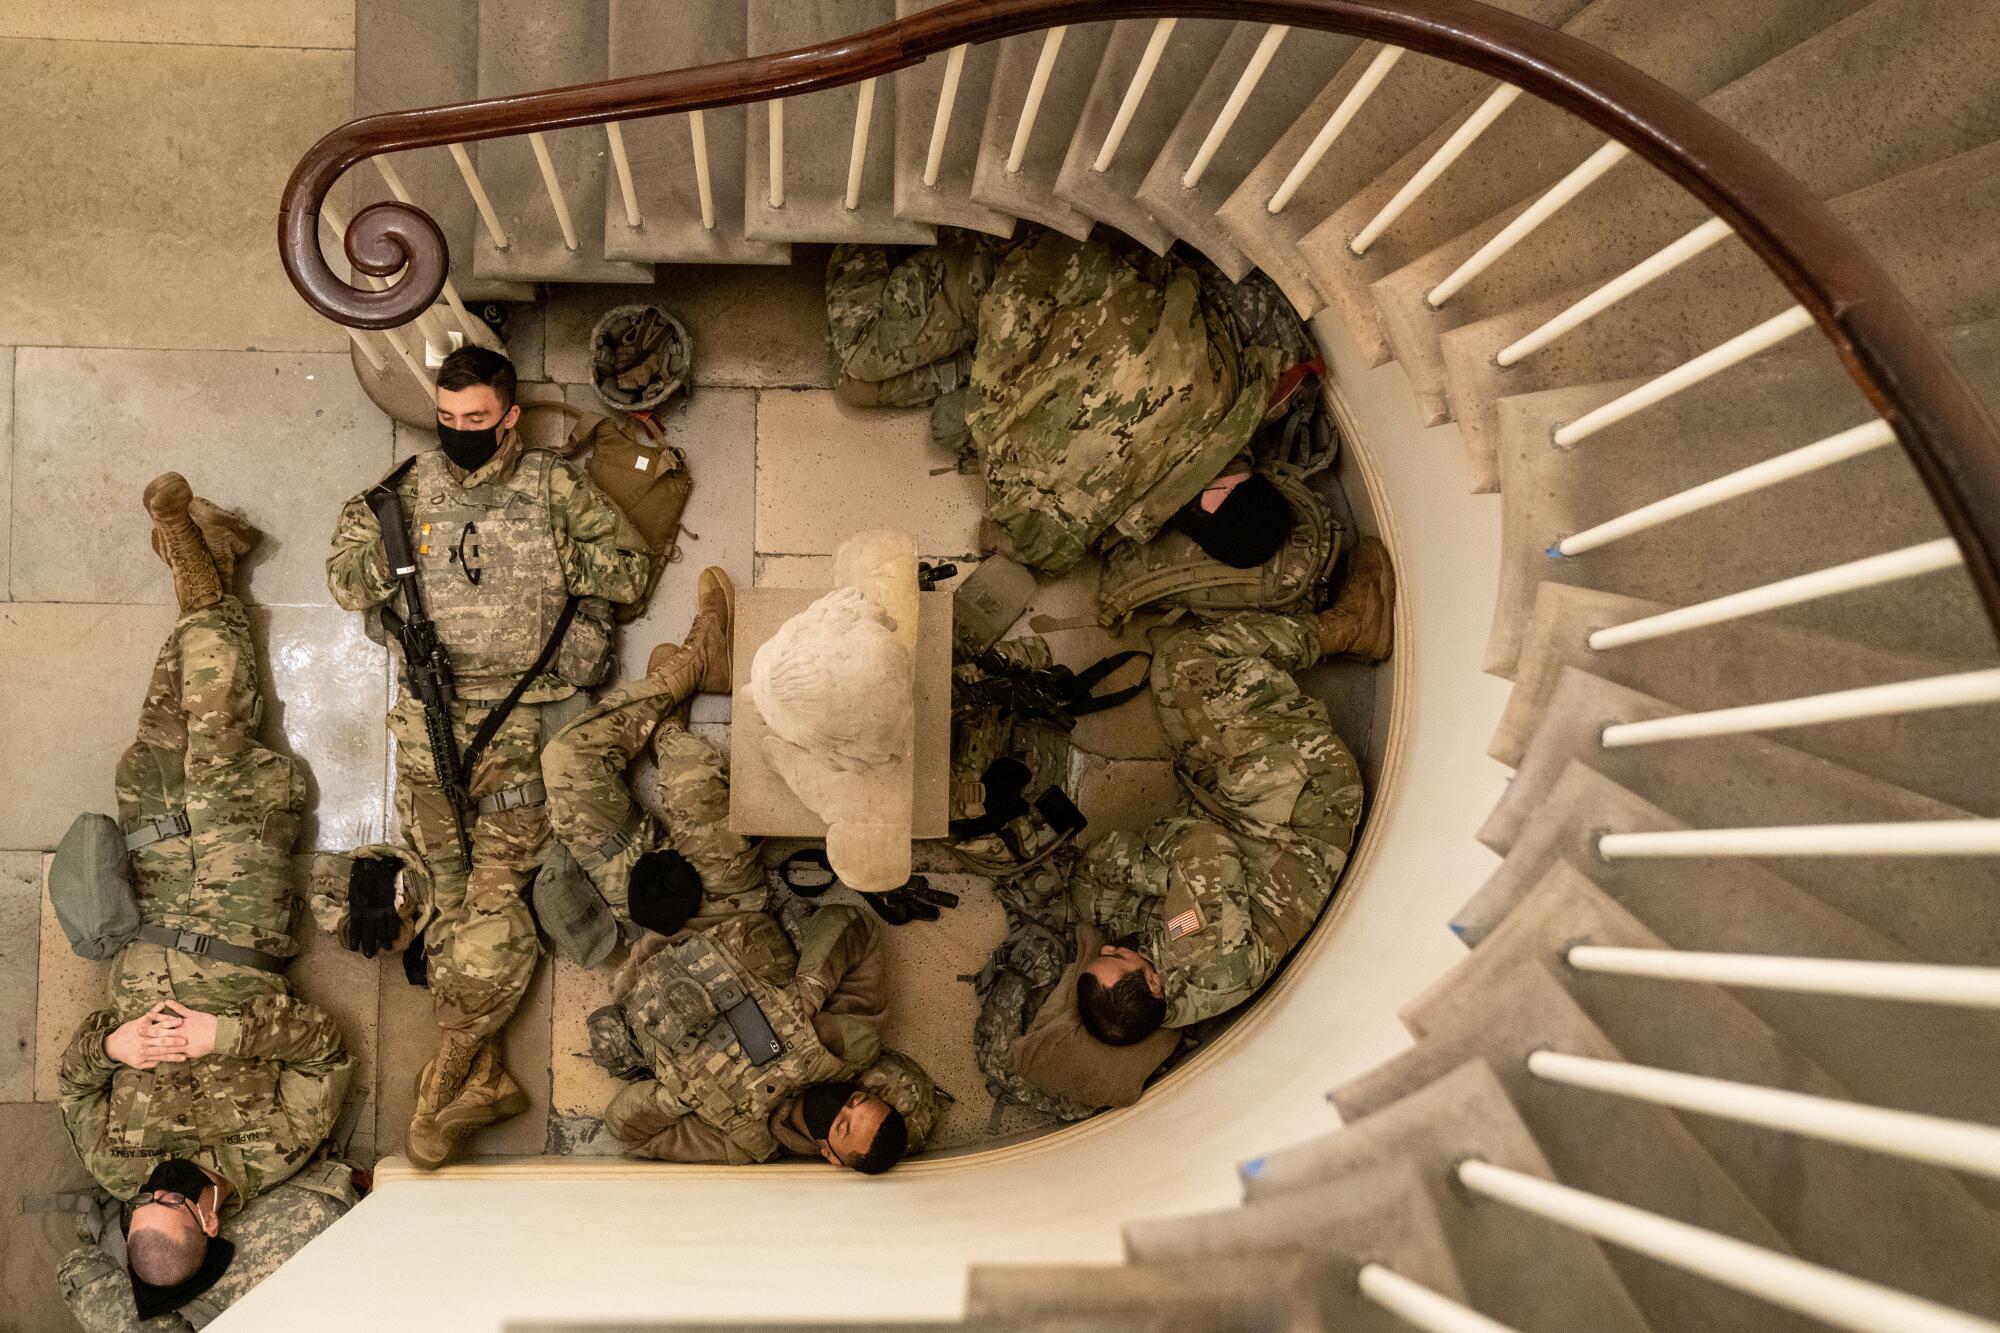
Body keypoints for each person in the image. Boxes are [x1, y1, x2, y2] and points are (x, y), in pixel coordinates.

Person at [324, 346, 651, 1169]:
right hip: (432, 716)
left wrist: (553, 559)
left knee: (492, 907)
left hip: (523, 722)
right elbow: (344, 578)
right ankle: (482, 1076)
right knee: (437, 897)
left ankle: (451, 1077)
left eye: (477, 420)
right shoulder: (402, 496)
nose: (460, 433)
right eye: (448, 418)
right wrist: (398, 562)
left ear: (510, 417)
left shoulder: (554, 486)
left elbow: (631, 568)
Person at [56, 474, 354, 1317]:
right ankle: (191, 552)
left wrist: (114, 1049)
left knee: (157, 736)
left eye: (147, 1194)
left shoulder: (117, 1163)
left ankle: (211, 568)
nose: (161, 1181)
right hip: (237, 907)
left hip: (147, 896)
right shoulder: (275, 1150)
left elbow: (76, 1080)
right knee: (218, 721)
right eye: (177, 1197)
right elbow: (326, 1050)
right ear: (212, 1221)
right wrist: (227, 1030)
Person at [1011, 540, 1395, 1054]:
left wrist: (1153, 879)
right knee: (1188, 660)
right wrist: (1156, 867)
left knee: (1168, 688)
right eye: (1117, 959)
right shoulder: (1199, 955)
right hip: (1306, 799)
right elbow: (1202, 846)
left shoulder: (1167, 973)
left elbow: (1096, 887)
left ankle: (1302, 650)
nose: (1107, 947)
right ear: (1151, 984)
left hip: (1252, 825)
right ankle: (1349, 626)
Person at [967, 230, 1289, 577]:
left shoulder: (1239, 401)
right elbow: (1023, 537)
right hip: (1033, 272)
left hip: (1096, 256)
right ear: (1222, 500)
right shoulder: (1116, 478)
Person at [589, 904, 937, 1172]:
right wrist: (809, 993)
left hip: (630, 975)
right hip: (715, 911)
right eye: (855, 1101)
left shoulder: (744, 1139)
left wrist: (673, 1100)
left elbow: (627, 1133)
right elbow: (854, 925)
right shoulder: (843, 1044)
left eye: (843, 1126)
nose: (840, 1107)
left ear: (831, 1155)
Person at [539, 567, 766, 935]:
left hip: (639, 891)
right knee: (693, 783)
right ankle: (674, 711)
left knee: (565, 759)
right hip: (713, 919)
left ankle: (683, 686)